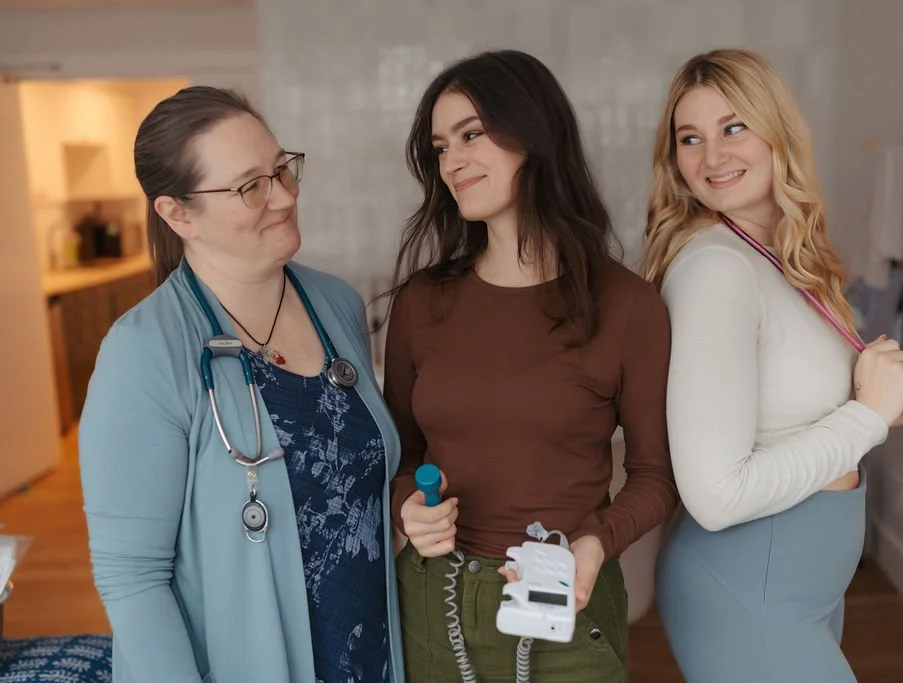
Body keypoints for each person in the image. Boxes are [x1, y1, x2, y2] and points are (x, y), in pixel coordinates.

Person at [78, 86, 405, 683]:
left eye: (283, 169)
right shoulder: (145, 351)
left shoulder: (336, 304)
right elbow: (132, 578)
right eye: (251, 185)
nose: (284, 196)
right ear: (178, 214)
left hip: (367, 655)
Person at [382, 49, 679, 683]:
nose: (452, 162)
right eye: (439, 147)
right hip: (433, 603)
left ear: (534, 135)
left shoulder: (628, 306)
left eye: (471, 135)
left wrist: (595, 545)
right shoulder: (421, 303)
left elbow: (656, 475)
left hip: (566, 602)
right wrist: (408, 507)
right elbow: (401, 458)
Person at [642, 48, 903, 682]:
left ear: (779, 131)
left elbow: (794, 415)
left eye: (734, 126)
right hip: (750, 589)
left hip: (797, 589)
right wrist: (867, 416)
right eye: (690, 138)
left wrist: (884, 405)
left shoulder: (785, 258)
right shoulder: (717, 269)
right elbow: (716, 497)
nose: (712, 157)